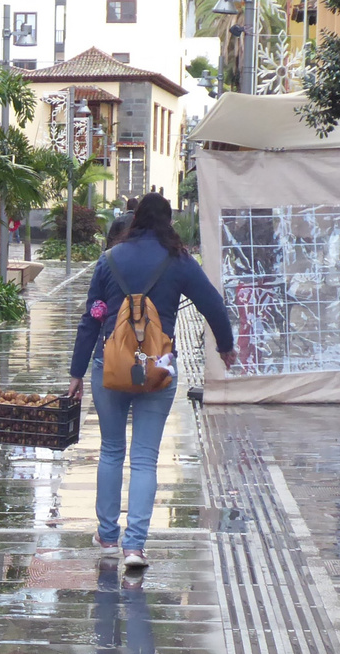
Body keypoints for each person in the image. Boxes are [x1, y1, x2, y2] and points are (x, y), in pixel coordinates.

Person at [69, 191, 236, 570]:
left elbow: (92, 317)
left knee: (111, 451)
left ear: (135, 219)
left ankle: (107, 536)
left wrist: (77, 372)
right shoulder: (179, 262)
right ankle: (135, 546)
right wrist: (225, 347)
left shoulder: (108, 260)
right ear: (168, 223)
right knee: (145, 458)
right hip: (159, 368)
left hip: (108, 367)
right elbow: (212, 304)